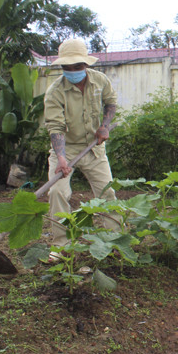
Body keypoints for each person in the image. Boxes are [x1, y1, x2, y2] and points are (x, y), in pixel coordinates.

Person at [44, 39, 119, 258]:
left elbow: (111, 103)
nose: (73, 71)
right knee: (57, 192)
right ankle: (62, 246)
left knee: (108, 192)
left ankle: (114, 240)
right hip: (66, 149)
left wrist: (104, 127)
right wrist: (61, 159)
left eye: (77, 66)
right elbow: (55, 127)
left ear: (85, 64)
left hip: (94, 148)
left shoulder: (100, 81)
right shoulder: (55, 91)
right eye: (67, 67)